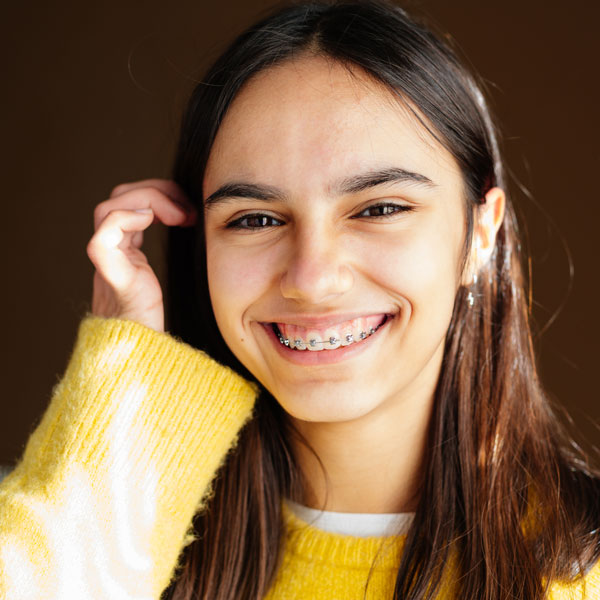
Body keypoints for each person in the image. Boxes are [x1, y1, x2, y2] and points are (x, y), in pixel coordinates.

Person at [1, 0, 599, 598]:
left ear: (480, 233)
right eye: (256, 219)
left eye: (379, 208)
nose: (310, 279)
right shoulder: (101, 531)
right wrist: (122, 375)